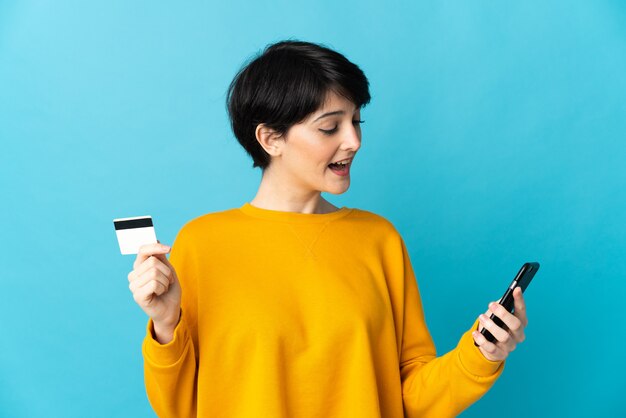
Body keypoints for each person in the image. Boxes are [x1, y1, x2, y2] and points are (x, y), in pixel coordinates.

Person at [127, 40, 528, 418]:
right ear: (270, 138)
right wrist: (166, 324)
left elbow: (410, 397)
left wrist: (481, 354)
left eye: (356, 121)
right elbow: (178, 408)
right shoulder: (203, 242)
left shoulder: (378, 240)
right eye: (329, 127)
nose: (353, 141)